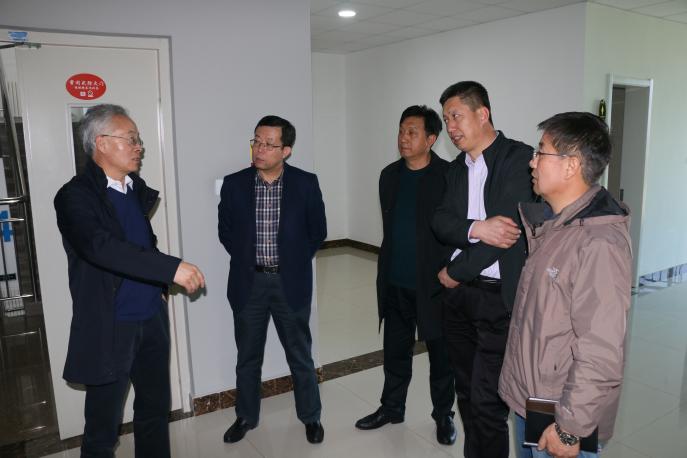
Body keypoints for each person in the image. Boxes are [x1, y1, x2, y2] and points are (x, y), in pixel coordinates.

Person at [54, 103, 205, 458]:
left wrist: (160, 289)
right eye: (131, 139)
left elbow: (141, 244)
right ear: (101, 143)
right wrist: (171, 269)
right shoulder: (75, 196)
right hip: (111, 324)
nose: (139, 147)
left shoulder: (135, 189)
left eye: (138, 140)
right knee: (103, 427)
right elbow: (100, 246)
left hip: (151, 318)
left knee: (154, 410)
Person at [499, 112, 632, 458]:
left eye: (540, 152)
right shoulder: (553, 227)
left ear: (571, 165)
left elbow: (601, 351)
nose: (532, 162)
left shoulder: (599, 243)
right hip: (533, 401)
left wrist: (569, 428)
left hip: (562, 415)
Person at [431, 81, 535, 458]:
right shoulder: (456, 169)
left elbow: (504, 236)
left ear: (482, 114)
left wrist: (454, 272)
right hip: (460, 300)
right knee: (466, 394)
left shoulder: (518, 159)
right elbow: (441, 221)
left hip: (499, 301)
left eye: (456, 116)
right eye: (446, 120)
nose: (450, 127)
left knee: (488, 403)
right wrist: (476, 227)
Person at [218, 115, 327, 444]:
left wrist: (291, 262)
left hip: (289, 283)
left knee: (300, 355)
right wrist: (248, 258)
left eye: (269, 144)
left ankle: (310, 416)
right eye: (256, 141)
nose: (259, 149)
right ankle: (245, 416)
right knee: (247, 357)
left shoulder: (306, 183)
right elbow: (226, 232)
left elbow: (317, 232)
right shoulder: (234, 184)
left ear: (286, 150)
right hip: (248, 283)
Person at [355, 105, 456, 445]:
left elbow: (456, 232)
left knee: (441, 357)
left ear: (431, 139)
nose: (403, 138)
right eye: (401, 131)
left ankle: (443, 415)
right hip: (395, 281)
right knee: (395, 352)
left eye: (412, 132)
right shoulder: (389, 175)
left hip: (435, 285)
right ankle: (391, 407)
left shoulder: (449, 176)